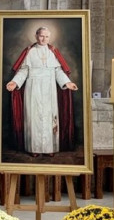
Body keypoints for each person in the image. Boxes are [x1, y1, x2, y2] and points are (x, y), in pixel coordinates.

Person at [6, 27, 78, 157]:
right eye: (41, 36)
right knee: (34, 118)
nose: (44, 39)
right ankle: (34, 148)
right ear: (36, 36)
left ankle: (49, 147)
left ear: (49, 38)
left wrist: (67, 83)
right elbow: (23, 71)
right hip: (33, 87)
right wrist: (14, 82)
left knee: (50, 117)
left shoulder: (53, 52)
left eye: (46, 37)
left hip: (49, 88)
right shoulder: (30, 52)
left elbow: (58, 71)